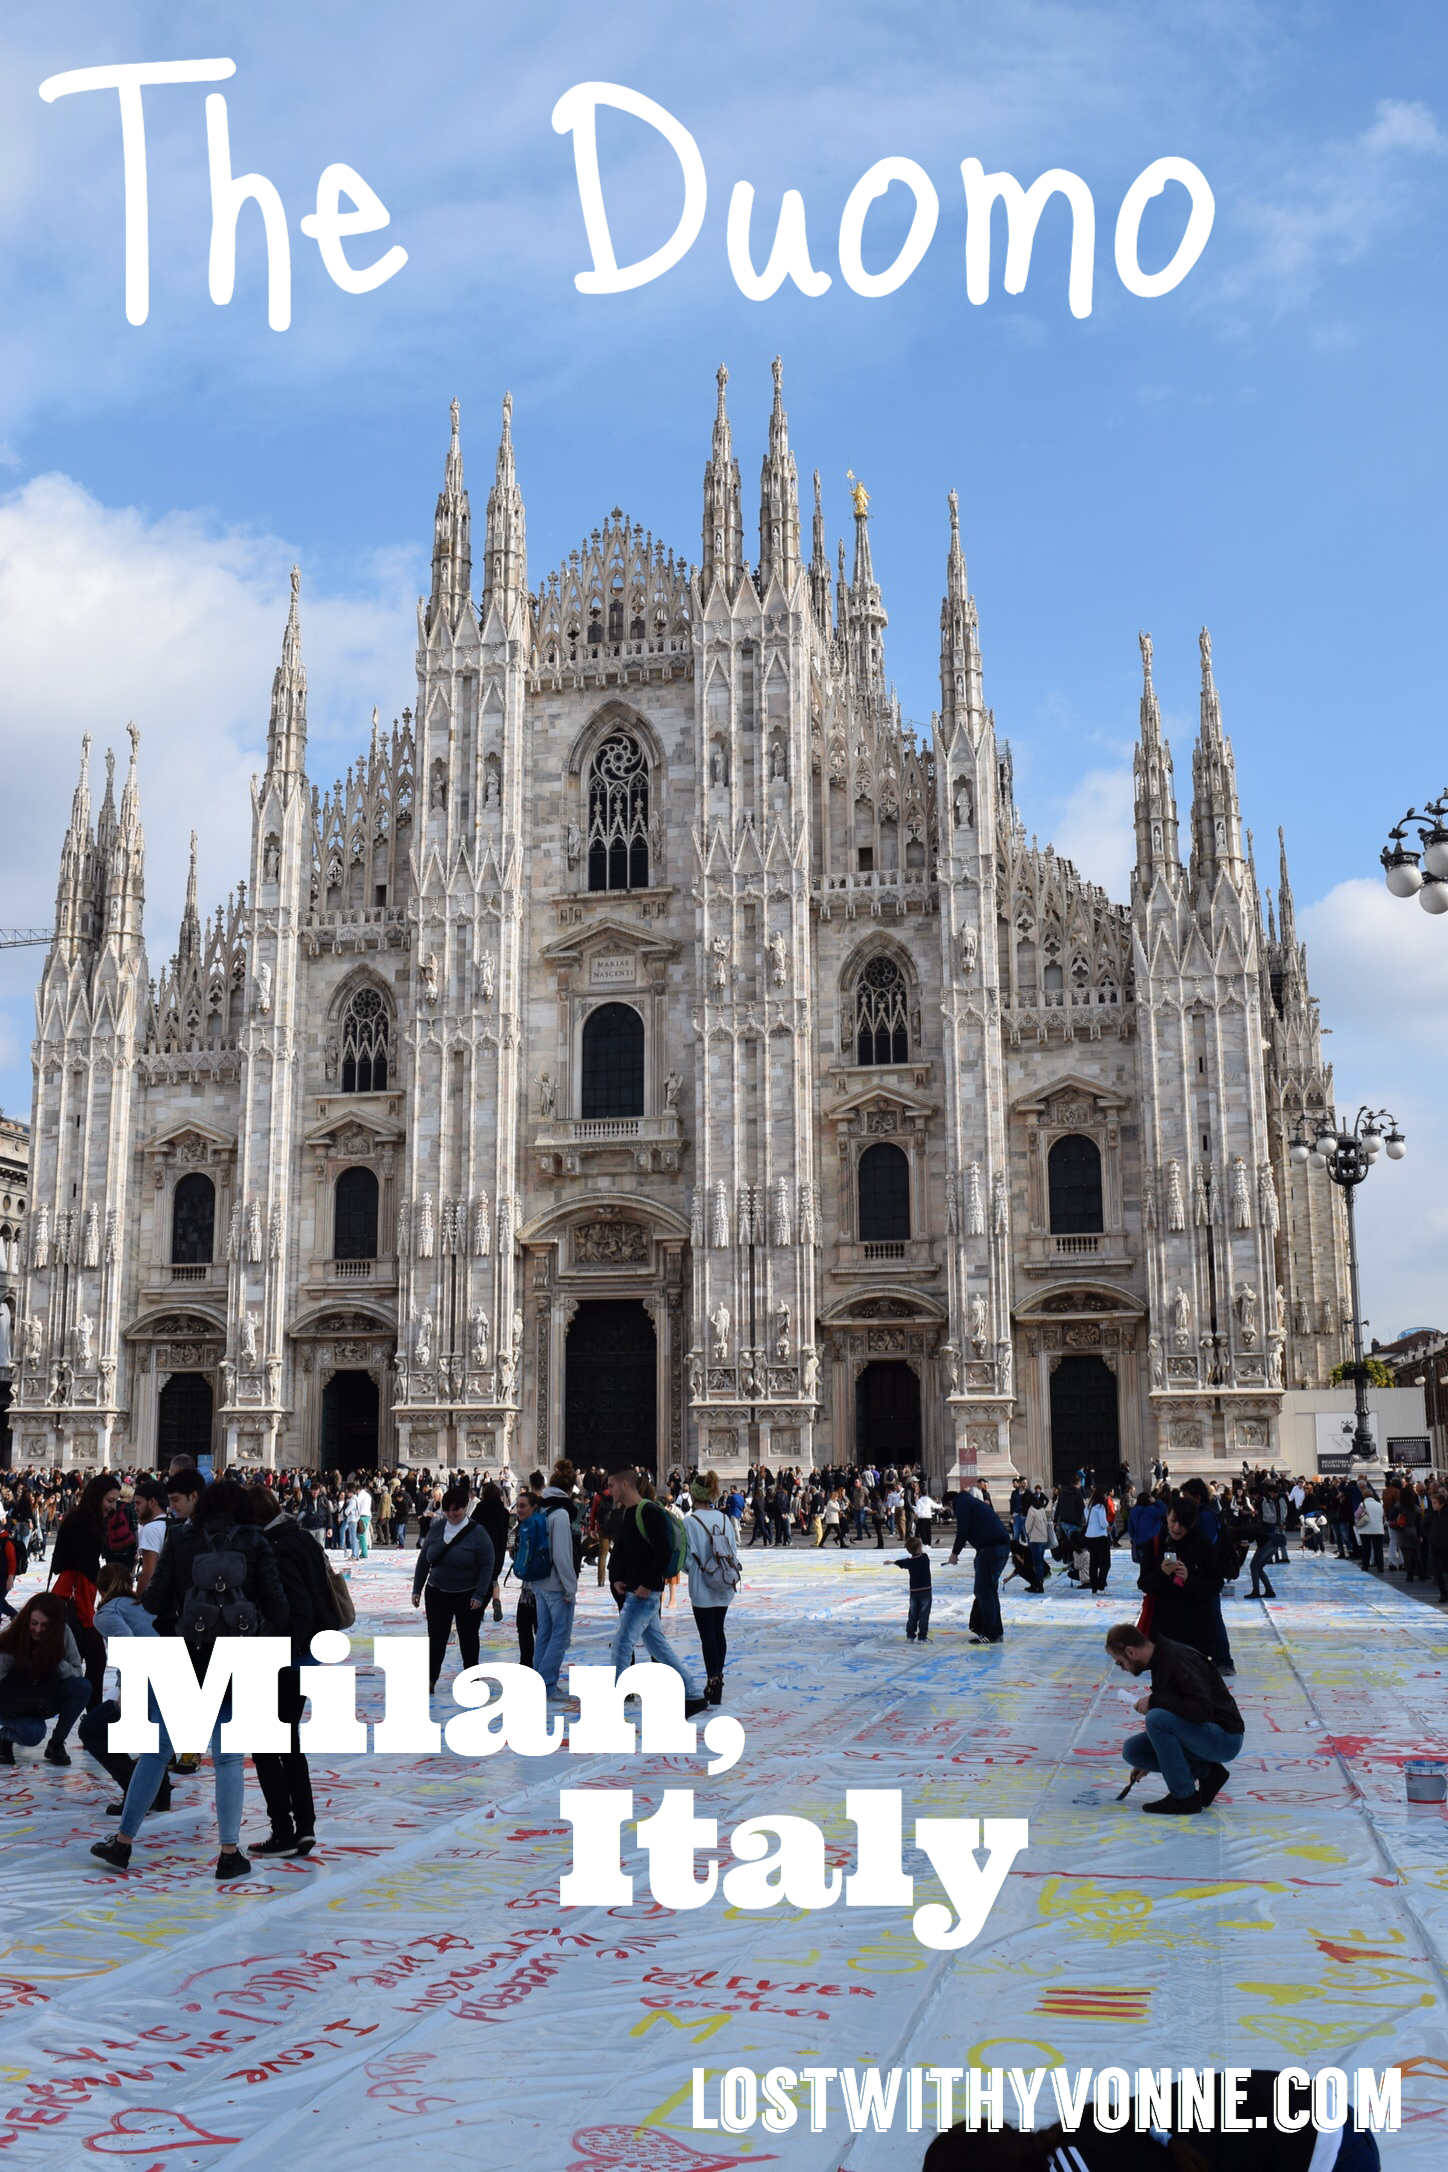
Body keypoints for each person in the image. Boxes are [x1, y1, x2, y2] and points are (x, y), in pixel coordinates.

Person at [91, 1476, 291, 1879]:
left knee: (157, 1750)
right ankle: (229, 1853)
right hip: (235, 1659)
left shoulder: (182, 1539)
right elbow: (279, 1606)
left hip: (184, 1656)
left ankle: (124, 1842)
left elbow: (153, 1600)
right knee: (229, 1756)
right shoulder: (255, 1541)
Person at [243, 1485, 336, 1857]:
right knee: (289, 1742)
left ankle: (284, 1829)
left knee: (266, 1744)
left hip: (286, 1657)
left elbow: (295, 1608)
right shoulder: (300, 1538)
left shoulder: (275, 1549)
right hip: (304, 1654)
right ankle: (305, 1827)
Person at [1106, 1619, 1245, 1815]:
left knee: (1156, 1718)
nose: (1123, 1669)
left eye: (1120, 1663)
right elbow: (1179, 1716)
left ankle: (1185, 1798)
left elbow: (1202, 1710)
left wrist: (1155, 1701)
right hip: (1204, 1735)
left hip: (1225, 1737)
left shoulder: (1176, 1658)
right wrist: (1157, 1754)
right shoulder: (1161, 1661)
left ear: (1130, 1651)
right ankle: (1208, 1772)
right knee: (1133, 1751)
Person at [606, 1466, 707, 1713]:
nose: (608, 1491)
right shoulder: (629, 1513)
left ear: (624, 1485)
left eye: (611, 1485)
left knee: (621, 1644)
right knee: (658, 1648)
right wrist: (620, 1578)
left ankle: (613, 1702)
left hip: (645, 1594)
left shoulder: (648, 1511)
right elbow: (633, 1553)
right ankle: (693, 1694)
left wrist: (648, 1584)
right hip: (636, 1589)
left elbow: (662, 1552)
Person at [77, 1563, 173, 1816]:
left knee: (91, 1730)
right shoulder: (141, 1606)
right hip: (171, 1675)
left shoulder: (106, 1613)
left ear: (99, 1589)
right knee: (149, 1735)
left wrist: (128, 1690)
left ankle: (136, 1792)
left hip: (148, 1678)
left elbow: (127, 1642)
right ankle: (160, 1794)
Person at [411, 1484, 495, 1691]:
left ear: (465, 1507)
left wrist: (480, 1594)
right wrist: (417, 1588)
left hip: (467, 1593)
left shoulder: (478, 1532)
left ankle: (471, 1677)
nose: (451, 1513)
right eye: (447, 1509)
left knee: (468, 1637)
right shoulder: (438, 1527)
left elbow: (487, 1564)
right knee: (436, 1637)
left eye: (456, 1509)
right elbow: (424, 1560)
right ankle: (430, 1679)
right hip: (437, 1591)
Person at [48, 1470, 119, 1708]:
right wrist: (108, 1588)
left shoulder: (84, 1518)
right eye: (110, 1500)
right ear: (96, 1496)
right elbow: (83, 1562)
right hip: (75, 1597)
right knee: (76, 1663)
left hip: (80, 1596)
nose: (113, 1506)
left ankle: (90, 1716)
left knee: (91, 1661)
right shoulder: (81, 1521)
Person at [0, 1592, 91, 1766]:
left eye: (45, 1625)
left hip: (43, 1699)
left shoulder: (63, 1634)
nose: (38, 1629)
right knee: (32, 1734)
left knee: (82, 1686)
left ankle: (56, 1743)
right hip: (12, 1704)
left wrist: (54, 1661)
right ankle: (3, 1736)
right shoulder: (13, 1636)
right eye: (34, 1623)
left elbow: (77, 1673)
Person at [1136, 1495, 1220, 1659]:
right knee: (1165, 1682)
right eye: (1173, 1520)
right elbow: (1144, 1584)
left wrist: (1189, 1579)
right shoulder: (1154, 1544)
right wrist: (1162, 1574)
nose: (1176, 1527)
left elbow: (1215, 1585)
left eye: (1183, 1523)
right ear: (1167, 1516)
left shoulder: (1203, 1545)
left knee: (1193, 1681)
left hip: (1196, 1631)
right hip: (1164, 1631)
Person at [683, 1471, 740, 1705]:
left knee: (707, 1635)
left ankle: (712, 1682)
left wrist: (695, 1570)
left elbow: (686, 1558)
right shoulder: (724, 1519)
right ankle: (719, 1679)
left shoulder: (689, 1521)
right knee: (719, 1631)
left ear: (694, 1495)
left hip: (701, 1584)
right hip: (724, 1582)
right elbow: (733, 1552)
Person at [530, 1461, 580, 1700]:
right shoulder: (560, 1514)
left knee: (544, 1635)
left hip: (539, 1582)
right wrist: (571, 1587)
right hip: (556, 1585)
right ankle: (547, 1684)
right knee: (560, 1637)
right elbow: (561, 1554)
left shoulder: (541, 1509)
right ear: (570, 1490)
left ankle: (537, 1682)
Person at [947, 1483, 1012, 1645]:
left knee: (983, 1591)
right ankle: (995, 1631)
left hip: (991, 1548)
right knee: (989, 1591)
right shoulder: (972, 1502)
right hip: (998, 1546)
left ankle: (990, 1633)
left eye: (949, 1510)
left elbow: (963, 1529)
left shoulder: (962, 1503)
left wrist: (955, 1553)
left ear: (950, 1503)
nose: (952, 1514)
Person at [471, 1480, 510, 1621]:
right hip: (498, 1549)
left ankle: (479, 1606)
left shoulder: (480, 1509)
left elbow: (472, 1527)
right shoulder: (504, 1512)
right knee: (493, 1578)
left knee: (480, 1577)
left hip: (481, 1549)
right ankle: (496, 1600)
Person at [132, 1478, 169, 1597]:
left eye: (138, 1503)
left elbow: (148, 1571)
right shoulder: (173, 1523)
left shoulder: (151, 1529)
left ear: (152, 1502)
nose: (135, 1508)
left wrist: (138, 1601)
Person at [891, 1533, 932, 1640]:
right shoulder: (925, 1557)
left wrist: (893, 1562)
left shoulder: (909, 1562)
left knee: (913, 1614)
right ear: (919, 1549)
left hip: (914, 1592)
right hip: (925, 1591)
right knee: (924, 1615)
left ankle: (910, 1635)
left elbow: (902, 1563)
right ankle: (922, 1636)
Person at [1084, 1488, 1113, 1591]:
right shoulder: (1100, 1507)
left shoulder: (1088, 1507)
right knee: (1105, 1563)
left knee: (1093, 1563)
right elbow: (1103, 1523)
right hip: (1100, 1536)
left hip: (1089, 1536)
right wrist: (1108, 1526)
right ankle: (1101, 1585)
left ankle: (1094, 1587)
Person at [1355, 1485, 1385, 1573]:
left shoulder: (1362, 1504)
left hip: (1365, 1530)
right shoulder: (1379, 1504)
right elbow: (1383, 1518)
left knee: (1366, 1549)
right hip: (1378, 1530)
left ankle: (1365, 1566)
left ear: (1363, 1496)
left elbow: (1356, 1515)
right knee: (1378, 1549)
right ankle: (1380, 1567)